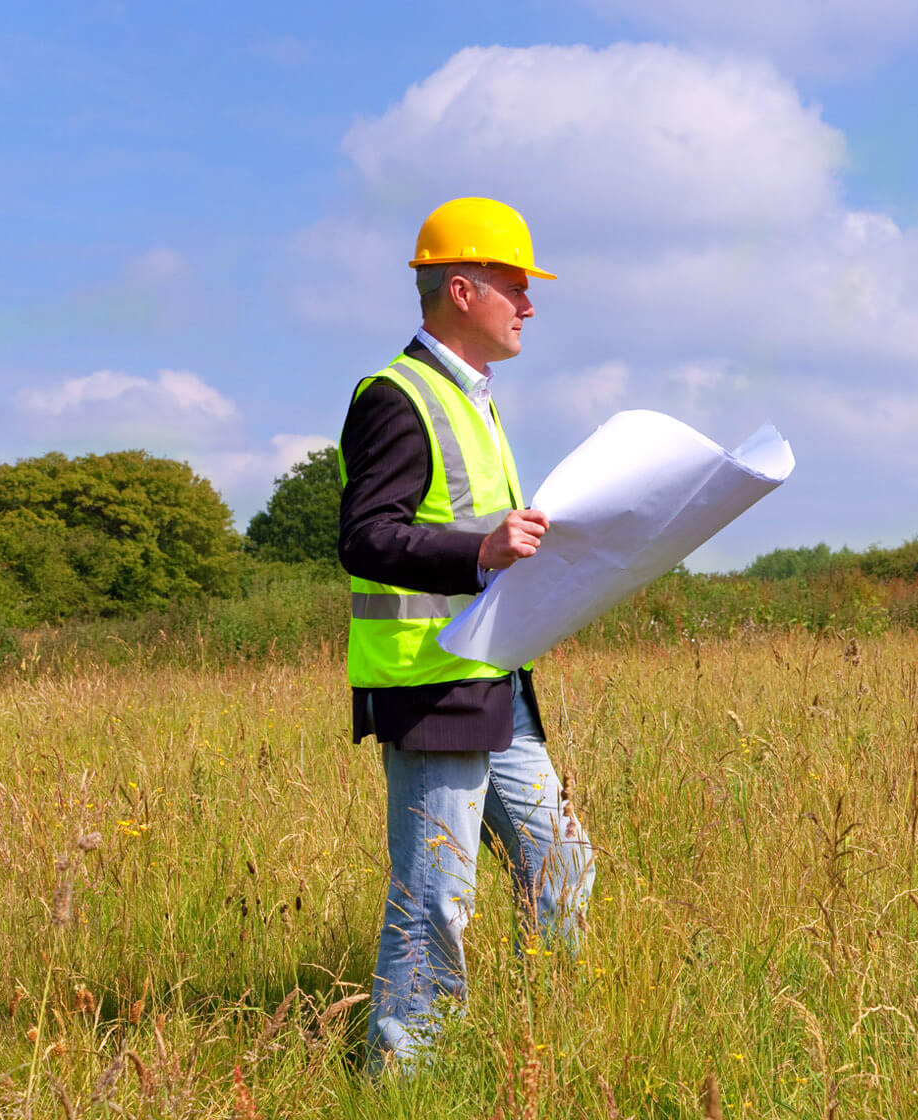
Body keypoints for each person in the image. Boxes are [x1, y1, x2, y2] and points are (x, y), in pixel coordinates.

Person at [337, 197, 594, 1065]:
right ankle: (407, 1075)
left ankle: (547, 1048)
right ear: (460, 289)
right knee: (435, 896)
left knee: (562, 864)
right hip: (430, 684)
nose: (529, 305)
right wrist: (479, 549)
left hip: (497, 682)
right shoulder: (396, 397)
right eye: (515, 287)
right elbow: (365, 535)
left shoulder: (474, 400)